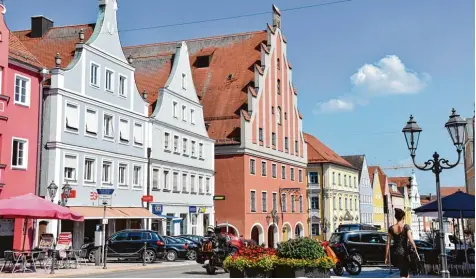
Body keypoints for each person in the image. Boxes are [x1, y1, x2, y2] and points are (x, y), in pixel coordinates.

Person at [385, 208, 420, 278]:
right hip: (404, 253)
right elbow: (411, 240)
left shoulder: (391, 228)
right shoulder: (406, 227)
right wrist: (416, 252)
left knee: (405, 272)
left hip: (395, 253)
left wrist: (386, 257)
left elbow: (388, 243)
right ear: (403, 217)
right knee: (403, 274)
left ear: (396, 217)